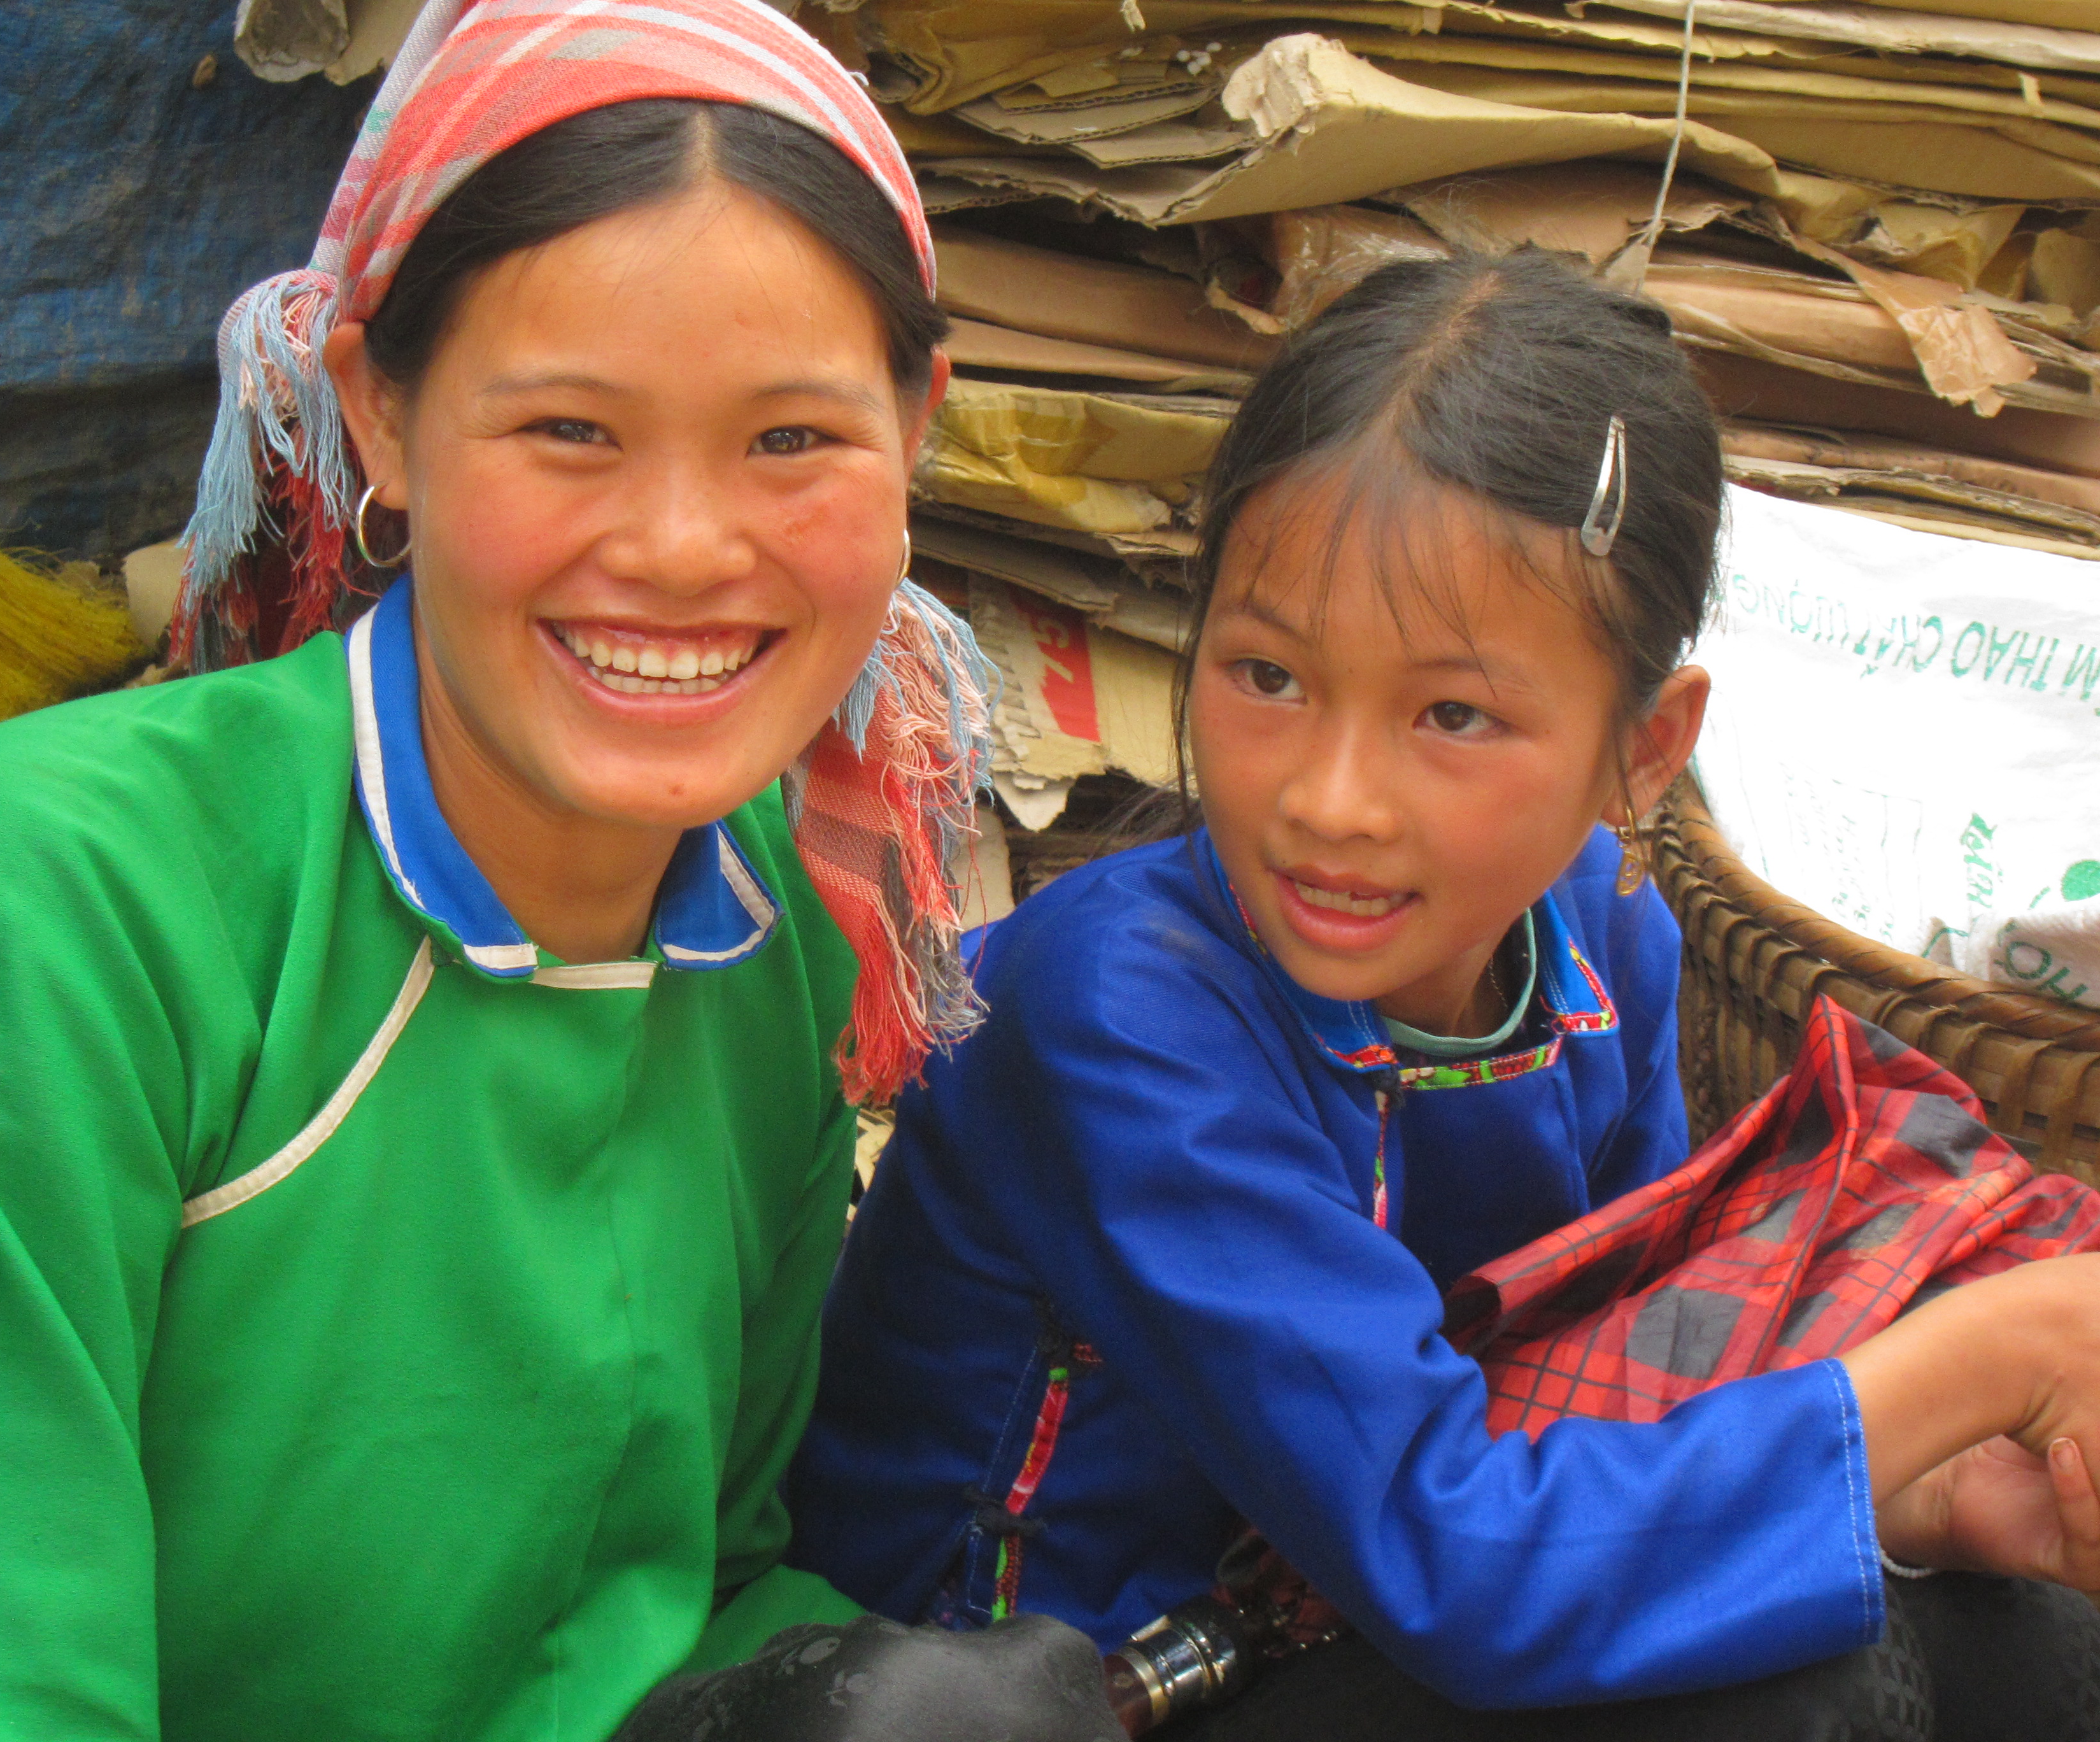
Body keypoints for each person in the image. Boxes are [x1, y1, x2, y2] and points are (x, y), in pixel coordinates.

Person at [0, 4, 1123, 1739]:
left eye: (792, 440)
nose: (683, 550)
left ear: (917, 428)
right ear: (381, 414)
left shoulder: (771, 919)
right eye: (569, 430)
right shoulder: (36, 907)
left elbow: (689, 1588)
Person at [786, 250, 2100, 1739]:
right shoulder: (1120, 1014)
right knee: (1807, 1699)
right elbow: (1463, 1560)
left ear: (1647, 750)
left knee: (2018, 1635)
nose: (1334, 801)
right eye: (1269, 677)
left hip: (1351, 1599)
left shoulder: (1610, 951)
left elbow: (1635, 1374)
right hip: (1055, 1682)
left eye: (1456, 715)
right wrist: (2001, 1354)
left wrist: (1926, 1496)